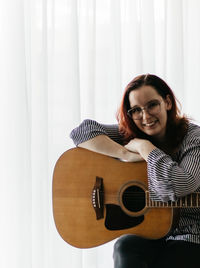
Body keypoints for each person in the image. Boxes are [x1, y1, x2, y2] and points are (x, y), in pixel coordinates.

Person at [70, 74, 200, 268]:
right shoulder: (132, 134)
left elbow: (178, 186)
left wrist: (146, 149)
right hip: (149, 231)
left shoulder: (193, 137)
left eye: (152, 105)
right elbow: (81, 133)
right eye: (136, 110)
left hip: (191, 235)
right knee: (125, 246)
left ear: (168, 102)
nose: (146, 116)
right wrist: (125, 152)